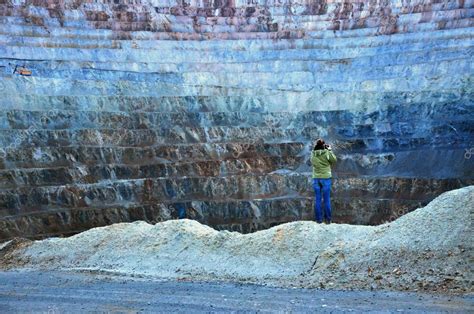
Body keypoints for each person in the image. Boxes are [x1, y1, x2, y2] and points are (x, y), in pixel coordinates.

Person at [311, 138, 337, 224]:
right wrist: (329, 150)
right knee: (326, 200)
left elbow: (312, 162)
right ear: (323, 145)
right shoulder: (326, 153)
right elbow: (334, 160)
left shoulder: (313, 154)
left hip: (316, 178)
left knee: (318, 199)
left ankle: (318, 220)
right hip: (326, 178)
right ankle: (328, 220)